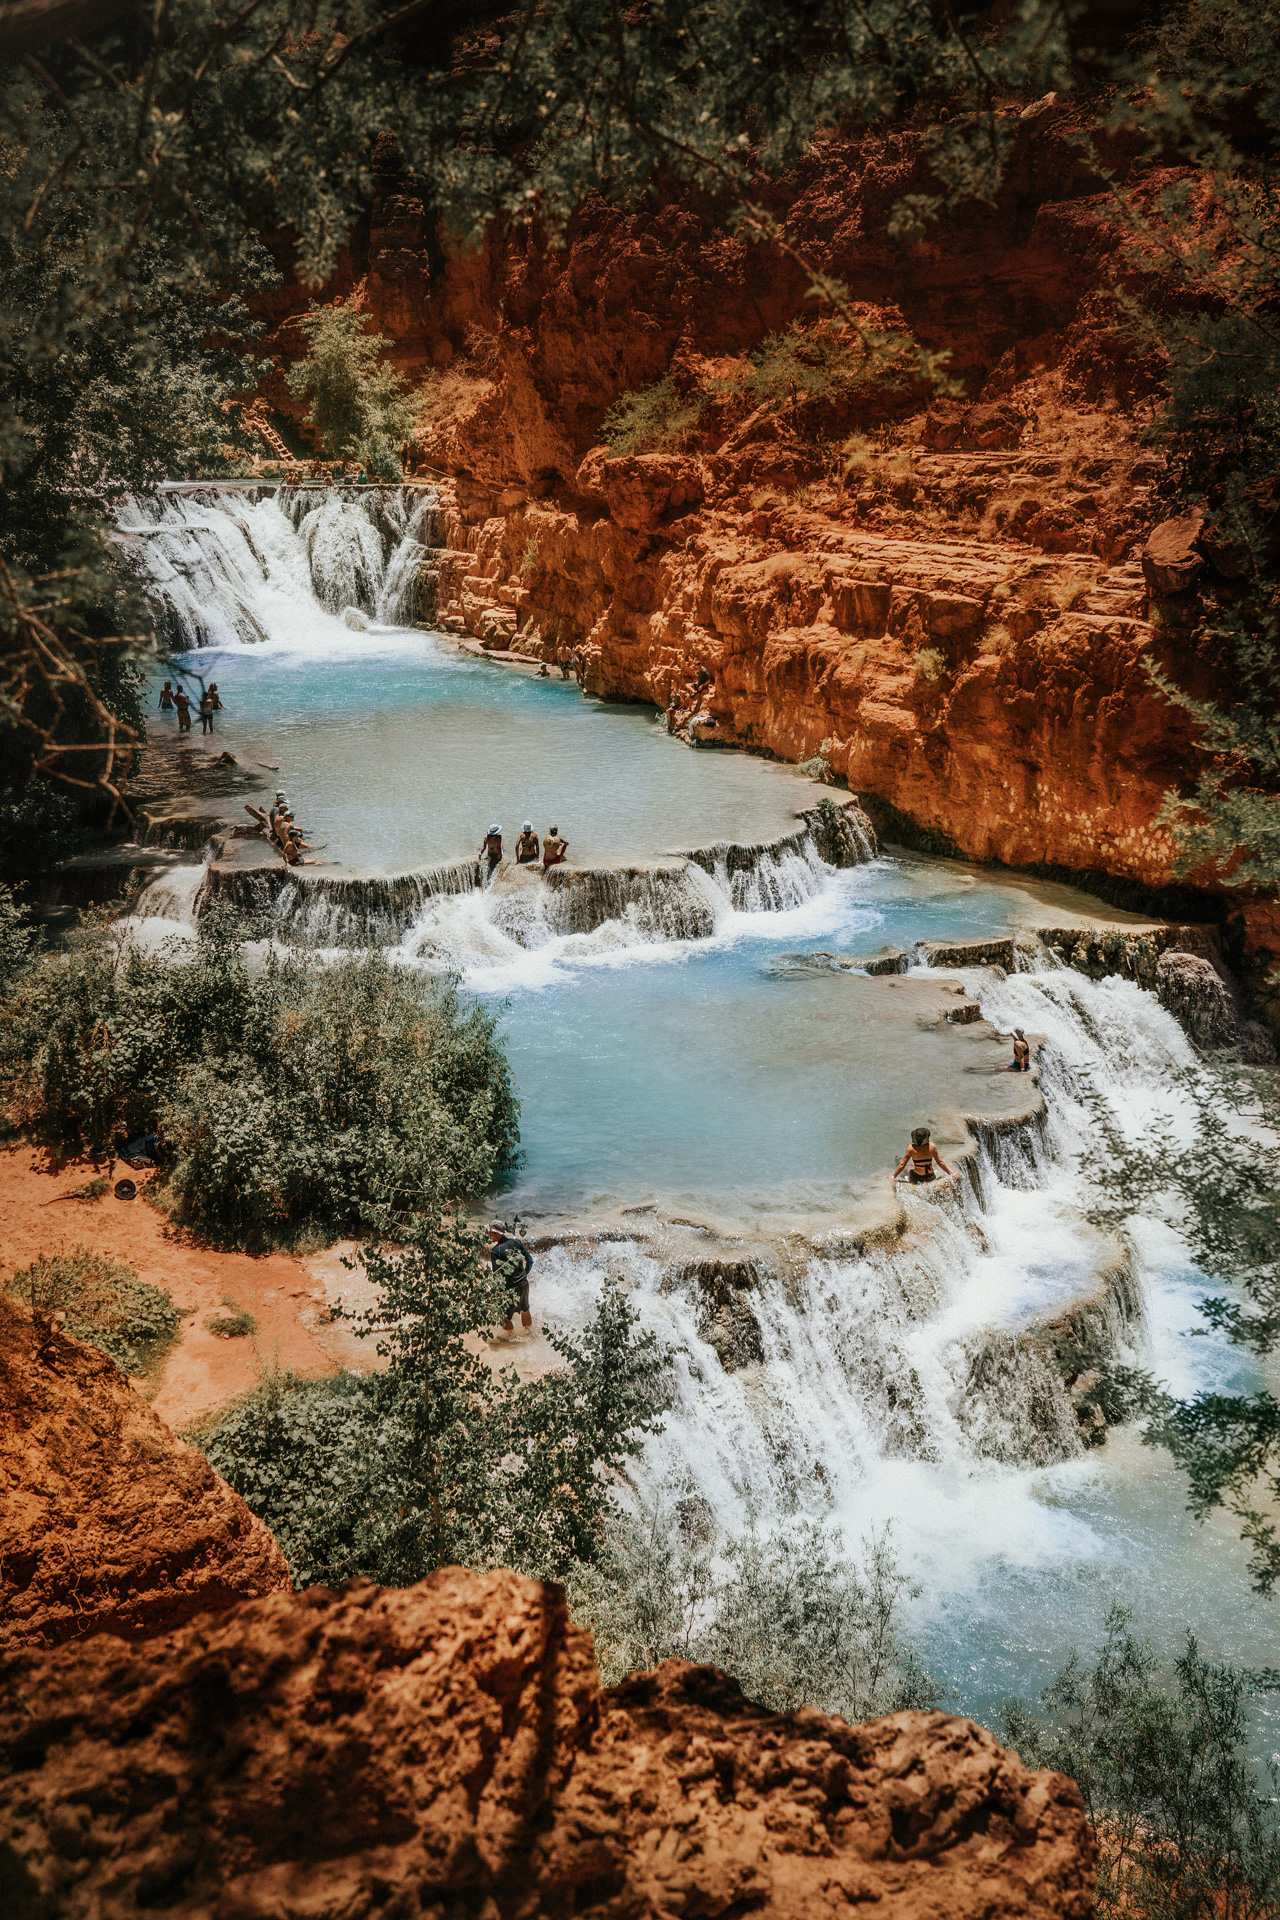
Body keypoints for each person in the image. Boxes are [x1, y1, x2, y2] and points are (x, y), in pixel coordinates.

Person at [485, 1223, 534, 1333]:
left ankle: (511, 1338)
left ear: (495, 1233)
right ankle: (528, 1333)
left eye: (489, 1232)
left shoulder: (495, 1251)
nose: (488, 1235)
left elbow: (497, 1275)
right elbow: (530, 1260)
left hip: (510, 1288)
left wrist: (495, 1292)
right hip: (524, 1284)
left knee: (504, 1317)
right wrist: (524, 1274)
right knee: (525, 1309)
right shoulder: (516, 1242)